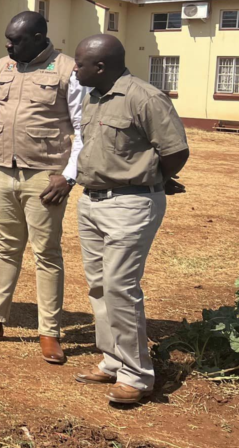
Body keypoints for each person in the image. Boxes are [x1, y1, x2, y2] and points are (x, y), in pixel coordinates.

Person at [0, 11, 83, 365]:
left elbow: (83, 130)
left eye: (17, 40)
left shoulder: (67, 70)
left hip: (45, 177)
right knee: (6, 247)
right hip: (1, 172)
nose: (9, 45)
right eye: (8, 39)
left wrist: (68, 176)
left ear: (41, 37)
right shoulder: (2, 67)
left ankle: (50, 332)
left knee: (46, 254)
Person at [72, 35, 189, 405]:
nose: (75, 69)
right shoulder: (94, 97)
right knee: (99, 287)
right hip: (91, 201)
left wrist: (153, 179)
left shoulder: (144, 98)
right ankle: (112, 360)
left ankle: (137, 376)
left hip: (131, 204)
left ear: (101, 67)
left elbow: (175, 151)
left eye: (80, 63)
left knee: (121, 286)